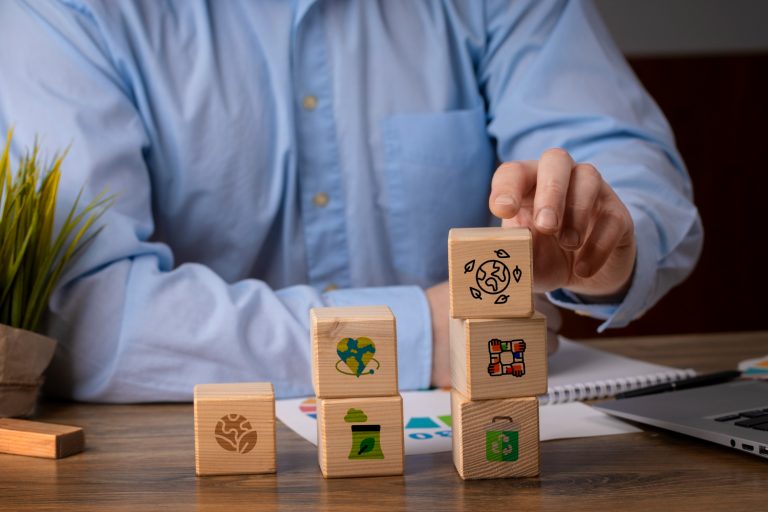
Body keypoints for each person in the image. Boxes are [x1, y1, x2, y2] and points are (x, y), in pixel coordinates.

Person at [0, 0, 702, 402]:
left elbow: (630, 174)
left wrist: (606, 246)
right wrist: (418, 339)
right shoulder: (61, 12)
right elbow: (88, 316)